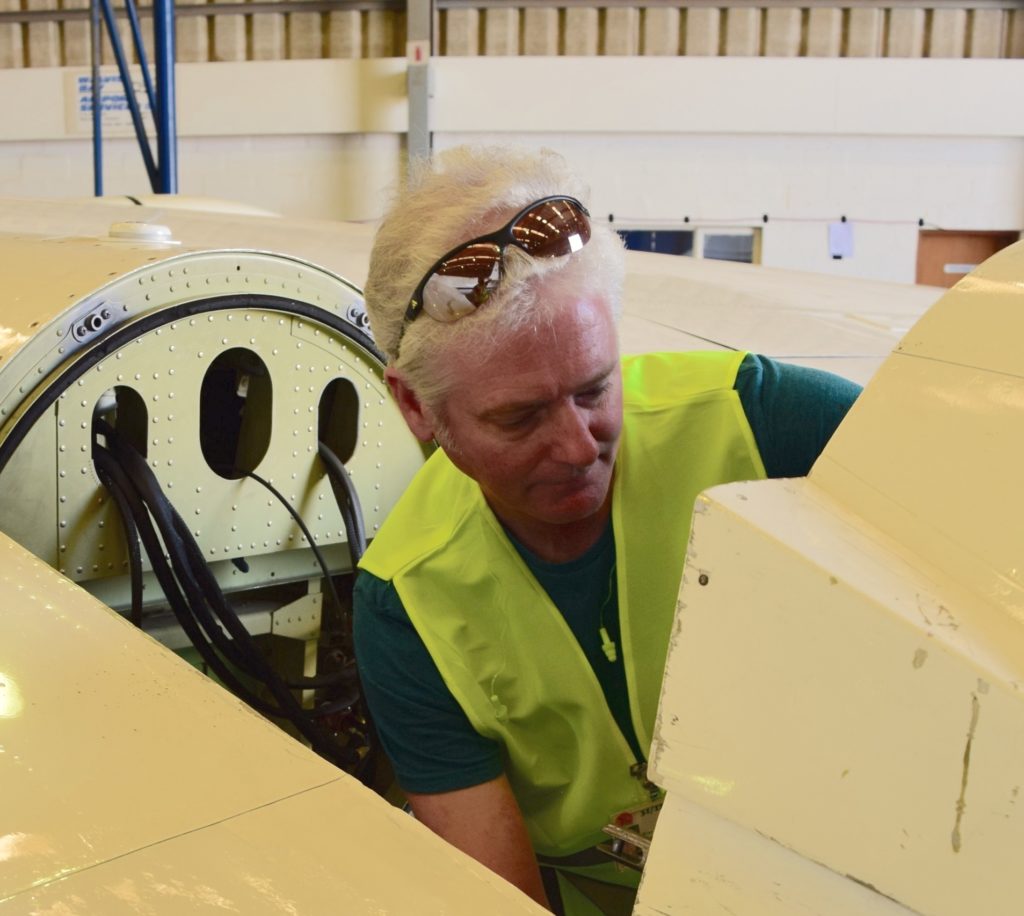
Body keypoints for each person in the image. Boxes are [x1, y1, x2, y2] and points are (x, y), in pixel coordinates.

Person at [353, 146, 860, 915]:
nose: (580, 445)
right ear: (416, 408)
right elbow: (502, 896)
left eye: (595, 387)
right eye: (519, 418)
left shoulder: (762, 420)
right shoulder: (406, 603)